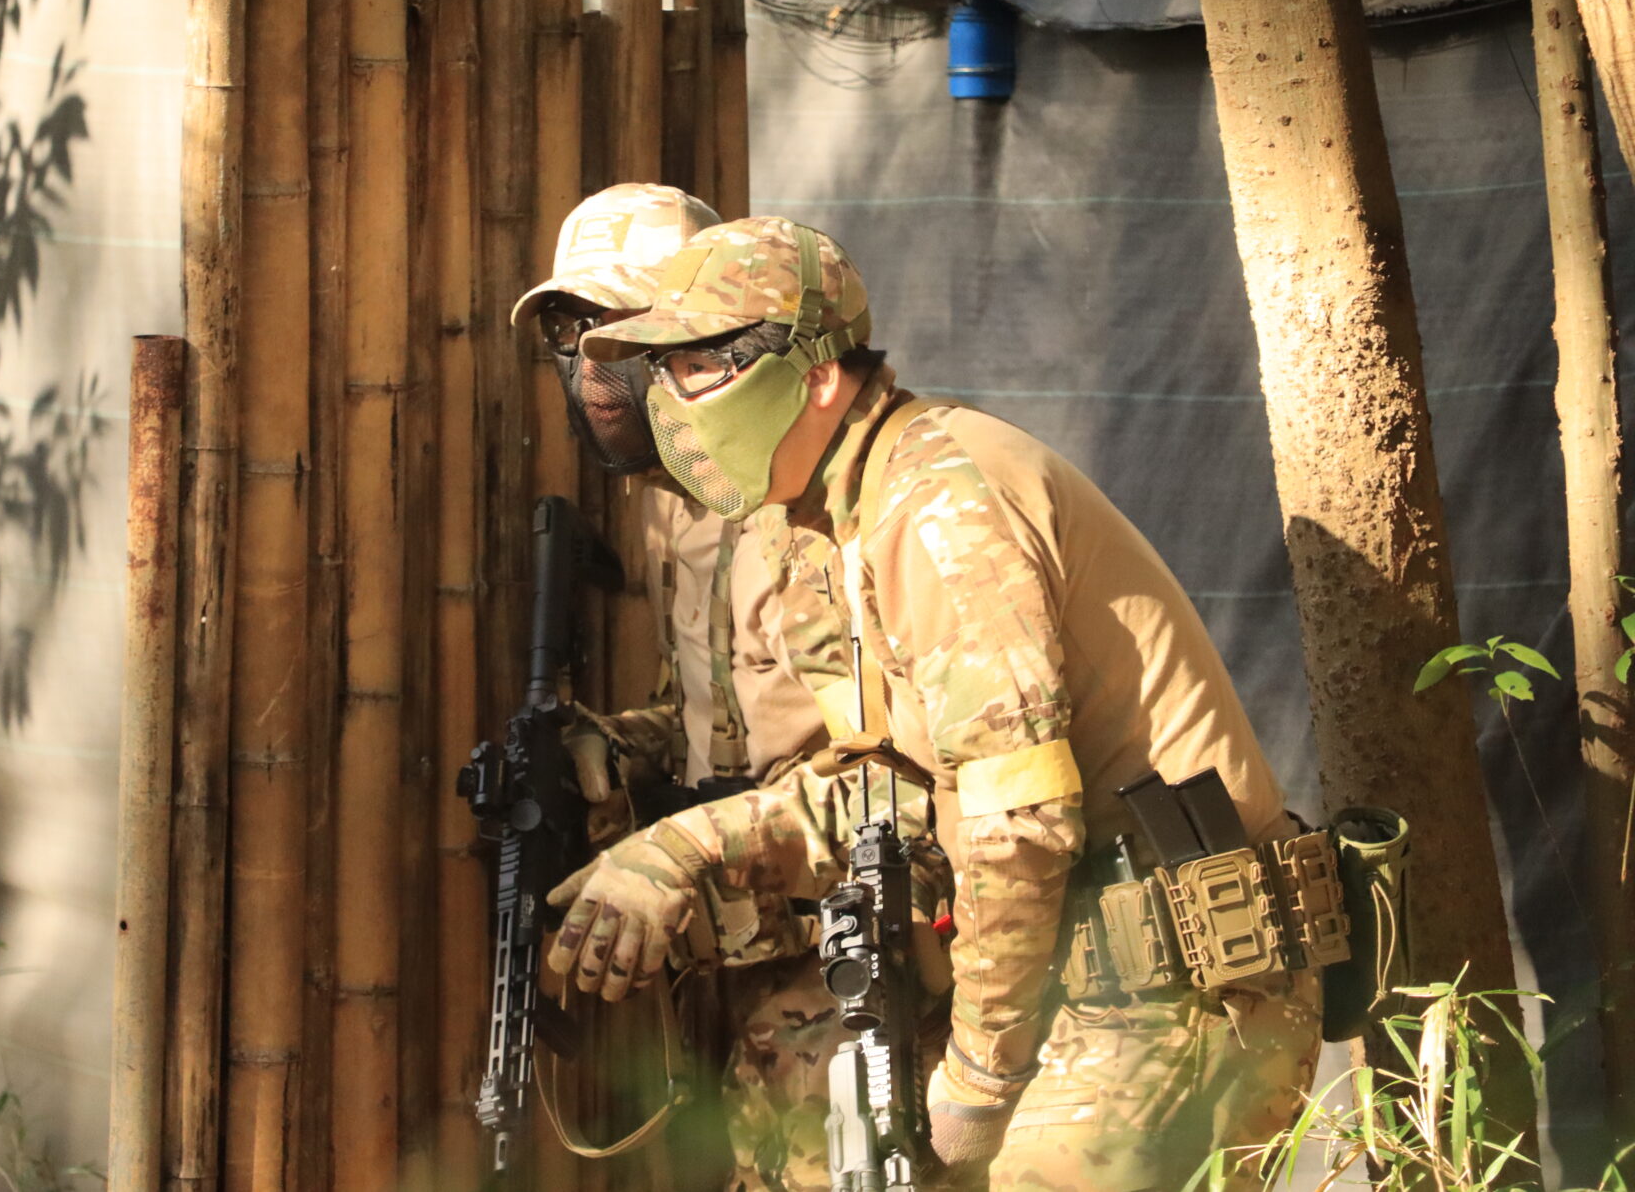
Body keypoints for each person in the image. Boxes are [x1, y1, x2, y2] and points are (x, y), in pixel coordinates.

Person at [559, 215, 1325, 1191]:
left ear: (816, 376)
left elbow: (1018, 825)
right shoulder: (820, 526)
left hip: (1183, 984)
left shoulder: (940, 505)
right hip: (1060, 965)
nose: (672, 402)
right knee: (788, 1105)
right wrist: (679, 847)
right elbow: (898, 792)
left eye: (701, 367)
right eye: (663, 370)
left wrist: (976, 1082)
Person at [513, 186, 948, 1192]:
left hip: (864, 949)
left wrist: (683, 848)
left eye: (621, 328)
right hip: (739, 964)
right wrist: (611, 746)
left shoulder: (827, 492)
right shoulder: (670, 508)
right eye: (570, 330)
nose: (593, 363)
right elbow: (721, 720)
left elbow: (920, 775)